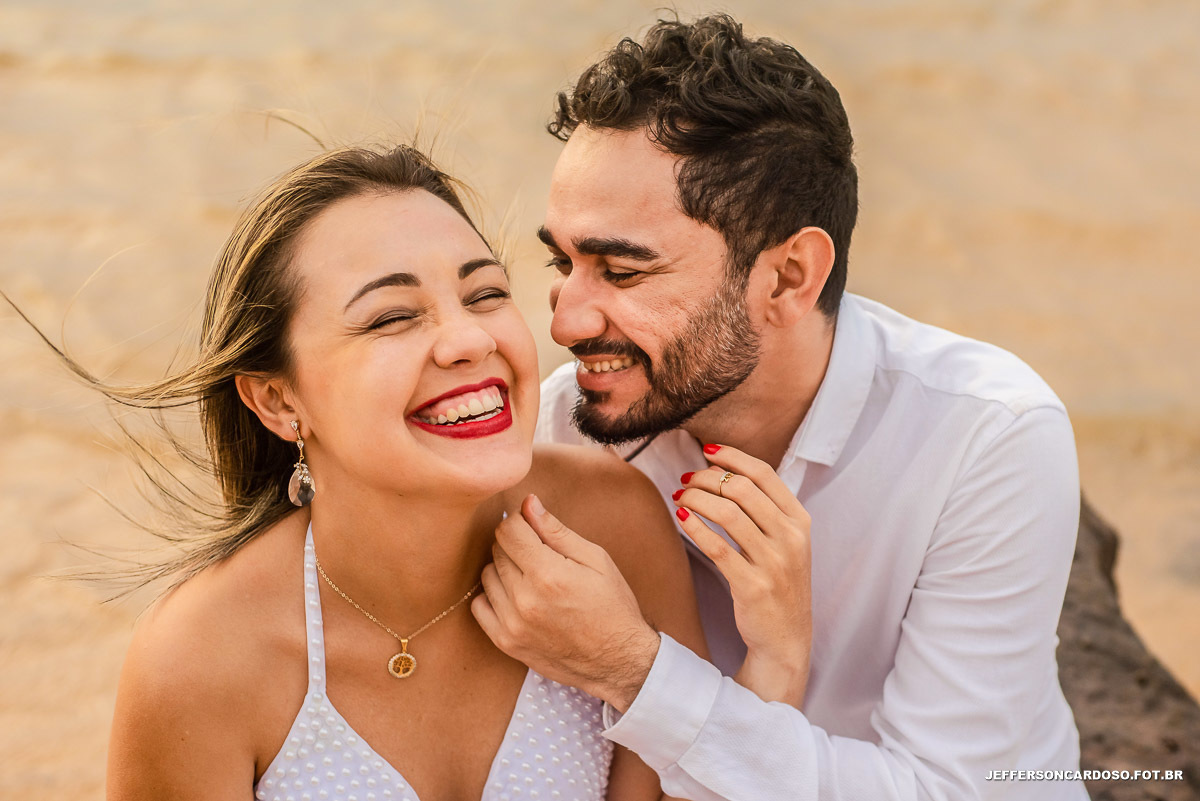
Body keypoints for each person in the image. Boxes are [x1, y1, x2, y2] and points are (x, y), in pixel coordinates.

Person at [475, 14, 1090, 801]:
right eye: (562, 261)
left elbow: (947, 790)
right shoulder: (568, 426)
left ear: (788, 277)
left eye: (621, 272)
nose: (563, 320)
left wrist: (632, 666)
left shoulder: (984, 437)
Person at [9, 144, 744, 800]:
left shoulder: (613, 524)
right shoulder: (201, 665)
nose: (466, 338)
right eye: (393, 317)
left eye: (485, 293)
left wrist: (778, 659)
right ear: (278, 399)